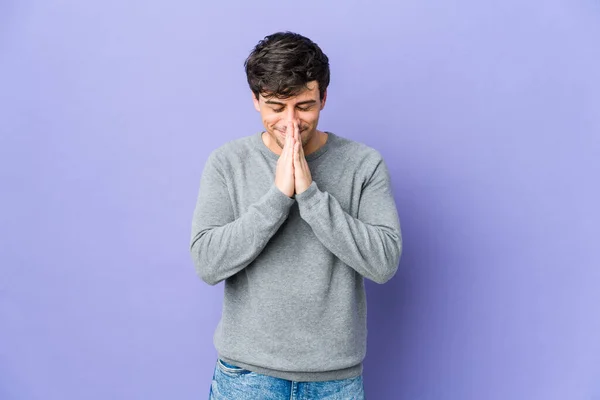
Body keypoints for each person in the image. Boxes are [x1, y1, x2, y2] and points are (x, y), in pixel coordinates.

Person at [190, 31, 402, 400]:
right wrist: (277, 197)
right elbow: (208, 263)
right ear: (256, 100)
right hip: (246, 376)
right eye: (276, 106)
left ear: (323, 98)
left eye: (304, 106)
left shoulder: (364, 165)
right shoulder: (227, 163)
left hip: (335, 380)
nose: (291, 122)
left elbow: (384, 263)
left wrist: (310, 196)